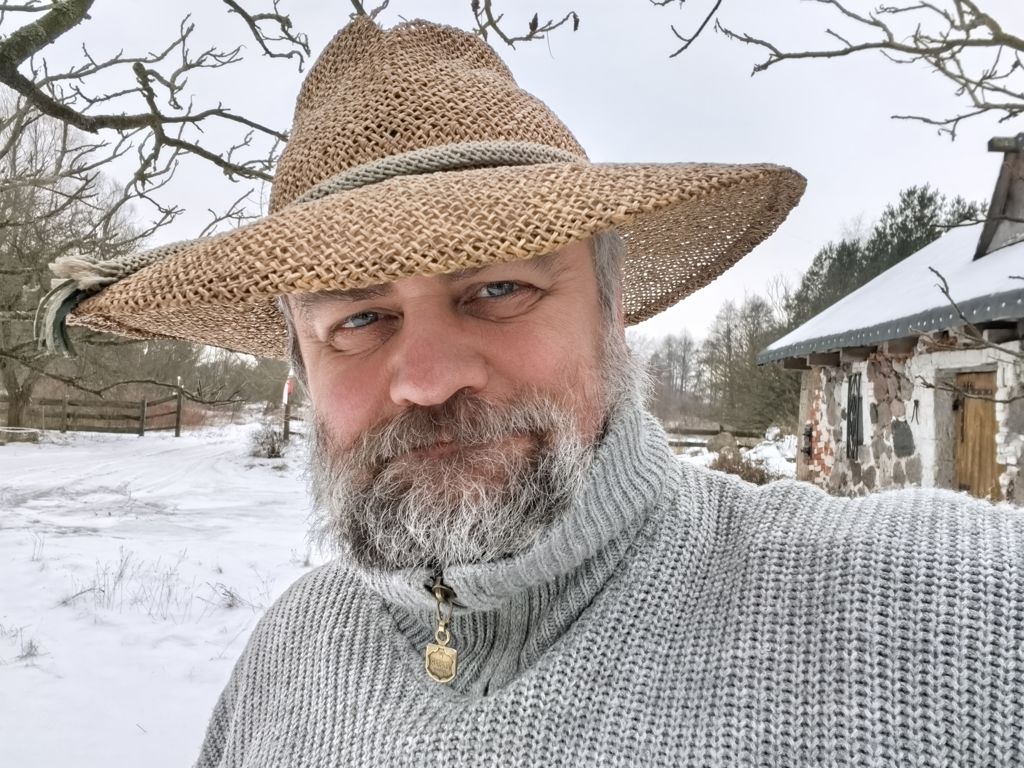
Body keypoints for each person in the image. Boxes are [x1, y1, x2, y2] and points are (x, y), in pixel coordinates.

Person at [45, 15, 1022, 768]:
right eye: (359, 318)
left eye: (498, 290)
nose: (429, 378)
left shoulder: (943, 609)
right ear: (300, 368)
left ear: (611, 310)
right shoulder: (288, 658)